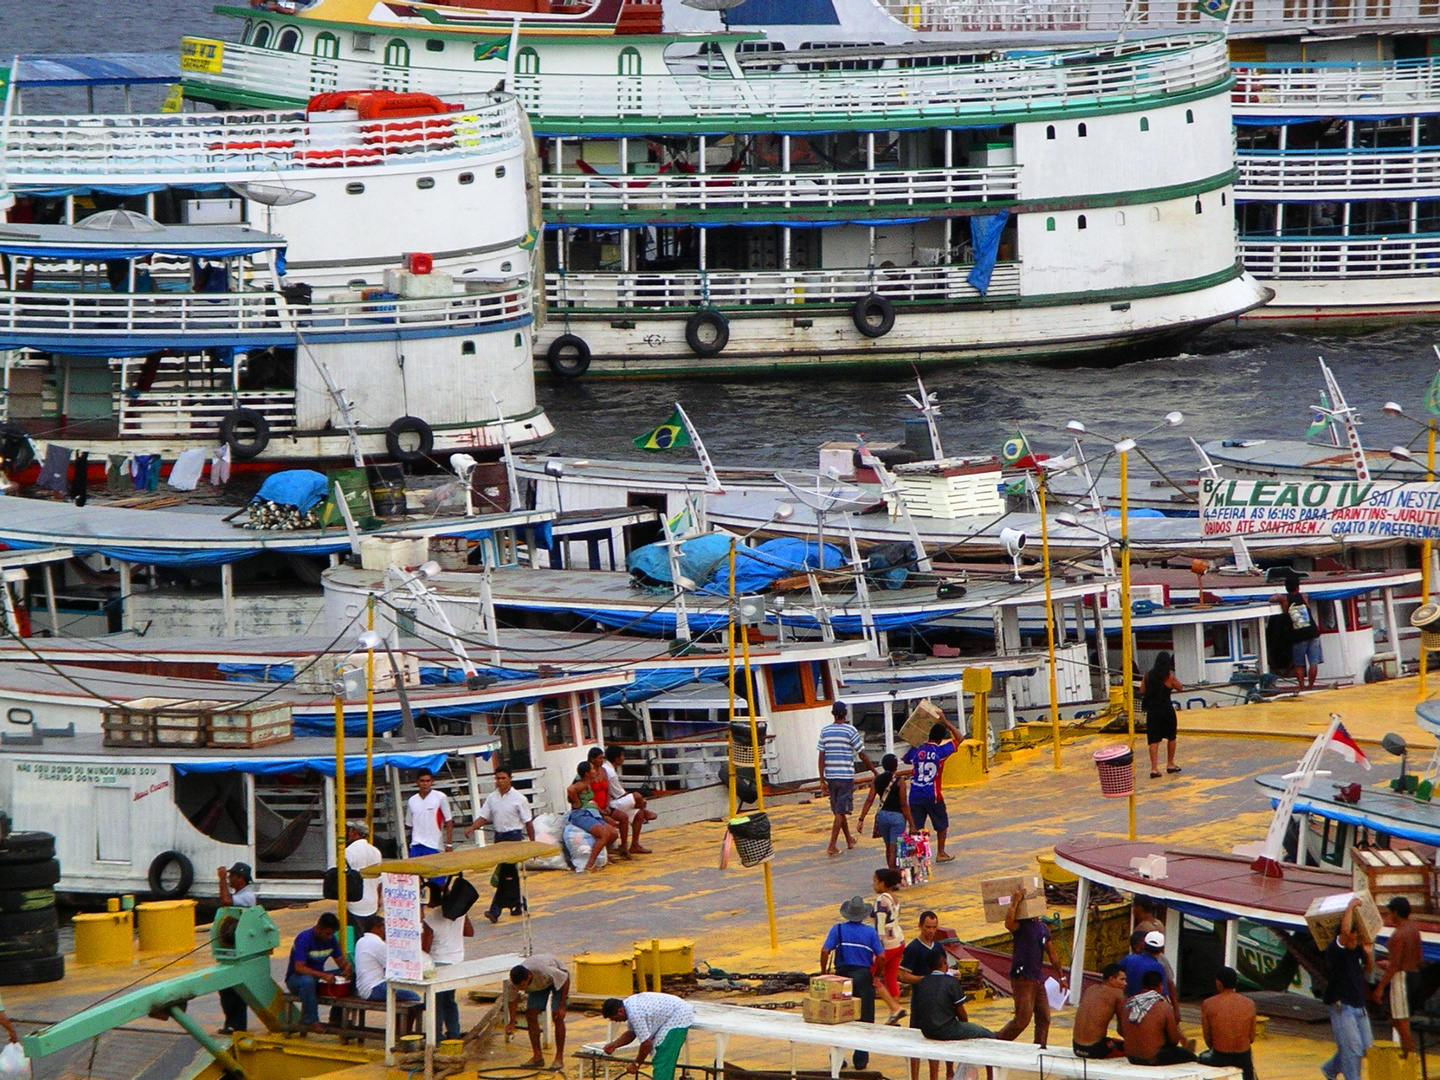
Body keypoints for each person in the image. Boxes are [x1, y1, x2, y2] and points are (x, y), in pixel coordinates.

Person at [995, 884, 1065, 1047]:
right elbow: (1008, 924)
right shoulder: (1022, 925)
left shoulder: (1043, 928)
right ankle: (999, 1040)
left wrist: (1061, 976)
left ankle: (1039, 1047)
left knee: (1044, 1017)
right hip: (1023, 977)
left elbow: (1052, 954)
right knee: (1022, 1020)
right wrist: (1015, 902)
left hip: (1037, 978)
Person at [820, 896, 885, 1070]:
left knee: (839, 1017)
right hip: (863, 977)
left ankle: (837, 1058)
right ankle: (860, 1059)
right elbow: (881, 956)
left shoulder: (837, 929)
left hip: (842, 978)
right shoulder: (870, 932)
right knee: (865, 1018)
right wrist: (876, 975)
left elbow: (825, 951)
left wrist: (824, 973)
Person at [908, 951, 993, 1080]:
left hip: (927, 1031)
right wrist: (965, 1026)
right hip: (946, 1030)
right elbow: (961, 1011)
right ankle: (991, 1077)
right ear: (943, 963)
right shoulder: (950, 981)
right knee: (988, 1035)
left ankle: (951, 1072)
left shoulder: (921, 982)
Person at [464, 766, 534, 922]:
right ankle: (517, 903)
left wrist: (532, 843)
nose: (500, 781)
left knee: (504, 873)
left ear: (510, 778)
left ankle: (495, 910)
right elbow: (484, 816)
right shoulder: (492, 798)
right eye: (497, 778)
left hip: (513, 837)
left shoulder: (519, 798)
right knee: (509, 874)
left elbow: (528, 822)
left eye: (503, 778)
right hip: (499, 837)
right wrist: (472, 827)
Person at [1322, 896, 1374, 1080]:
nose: (1356, 939)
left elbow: (1367, 971)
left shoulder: (1356, 950)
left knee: (1364, 1047)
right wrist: (1351, 907)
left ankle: (1330, 1068)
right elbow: (1344, 932)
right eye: (1354, 936)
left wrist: (1368, 955)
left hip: (1358, 1005)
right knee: (1352, 1051)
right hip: (1342, 1006)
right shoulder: (1336, 950)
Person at [817, 701, 878, 856]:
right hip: (845, 776)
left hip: (830, 776)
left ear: (833, 714)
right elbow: (861, 754)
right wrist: (874, 771)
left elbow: (821, 756)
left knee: (839, 809)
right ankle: (832, 845)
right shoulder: (850, 731)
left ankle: (849, 839)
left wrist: (821, 779)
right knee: (840, 811)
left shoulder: (825, 731)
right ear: (845, 714)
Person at [903, 718, 961, 863]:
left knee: (916, 826)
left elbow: (905, 759)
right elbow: (960, 738)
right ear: (941, 738)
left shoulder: (917, 750)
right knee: (941, 824)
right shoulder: (940, 751)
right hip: (933, 795)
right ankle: (940, 852)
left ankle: (918, 855)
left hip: (915, 794)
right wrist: (946, 721)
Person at [285, 912, 353, 1033]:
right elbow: (299, 967)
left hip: (317, 977)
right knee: (307, 981)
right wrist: (323, 975)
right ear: (319, 928)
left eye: (332, 934)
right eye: (327, 933)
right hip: (296, 979)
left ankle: (337, 1017)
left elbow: (341, 962)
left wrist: (347, 968)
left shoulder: (331, 940)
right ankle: (310, 1019)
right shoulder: (304, 939)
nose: (329, 936)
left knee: (351, 977)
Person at [600, 993, 694, 1080]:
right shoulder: (628, 1005)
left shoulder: (634, 1013)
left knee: (662, 1054)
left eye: (615, 1018)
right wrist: (615, 1045)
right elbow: (632, 1033)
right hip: (672, 1013)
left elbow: (646, 1042)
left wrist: (636, 1064)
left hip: (679, 1016)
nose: (617, 1021)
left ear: (620, 1011)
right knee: (660, 1054)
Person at [423, 884, 473, 1042]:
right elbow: (469, 932)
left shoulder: (431, 918)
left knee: (435, 1002)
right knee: (449, 1000)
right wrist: (463, 913)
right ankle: (453, 1033)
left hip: (438, 962)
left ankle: (435, 1037)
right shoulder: (459, 913)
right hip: (457, 962)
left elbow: (425, 948)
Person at [354, 917, 421, 1037]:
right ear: (375, 928)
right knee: (414, 997)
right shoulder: (376, 943)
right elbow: (394, 965)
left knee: (401, 994)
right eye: (382, 928)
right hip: (374, 987)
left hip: (363, 987)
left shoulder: (361, 941)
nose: (384, 931)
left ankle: (399, 1030)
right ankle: (402, 1033)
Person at [1374, 896, 1422, 1057]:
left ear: (1395, 913)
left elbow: (1394, 965)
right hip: (1415, 975)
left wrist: (1380, 988)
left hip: (1402, 978)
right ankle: (1408, 1052)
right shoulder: (1414, 930)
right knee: (1397, 1018)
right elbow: (1418, 957)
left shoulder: (1398, 934)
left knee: (1401, 1021)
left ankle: (1410, 1055)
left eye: (1390, 913)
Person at [507, 955, 571, 1068]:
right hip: (539, 986)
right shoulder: (512, 983)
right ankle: (537, 1056)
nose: (522, 989)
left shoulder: (544, 970)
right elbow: (512, 1001)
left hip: (558, 979)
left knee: (557, 1015)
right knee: (530, 1014)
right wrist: (512, 1021)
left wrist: (561, 1006)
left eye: (523, 986)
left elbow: (565, 978)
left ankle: (559, 1058)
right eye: (519, 987)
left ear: (529, 976)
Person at [1121, 970, 1195, 1066]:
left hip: (1131, 1057)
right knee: (1191, 1057)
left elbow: (1121, 1031)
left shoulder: (1129, 1002)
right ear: (1160, 986)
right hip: (1153, 1058)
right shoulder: (1163, 1006)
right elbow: (1174, 1041)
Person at [216, 863, 257, 1035]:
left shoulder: (247, 897)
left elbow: (226, 901)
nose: (229, 878)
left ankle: (237, 1025)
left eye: (232, 876)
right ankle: (232, 1022)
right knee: (226, 988)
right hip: (235, 947)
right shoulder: (241, 894)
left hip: (243, 949)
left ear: (240, 879)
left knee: (236, 989)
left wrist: (221, 880)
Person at [857, 754, 914, 869]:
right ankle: (893, 874)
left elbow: (869, 800)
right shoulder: (900, 781)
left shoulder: (876, 780)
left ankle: (890, 871)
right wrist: (912, 824)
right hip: (897, 817)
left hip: (882, 816)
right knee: (895, 848)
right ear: (896, 766)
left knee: (888, 847)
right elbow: (903, 805)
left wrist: (861, 819)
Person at [1199, 966, 1256, 1080]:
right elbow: (1251, 1038)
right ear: (1236, 982)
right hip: (1243, 1056)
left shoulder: (1208, 1004)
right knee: (1249, 1062)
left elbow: (1208, 1040)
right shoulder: (1249, 1003)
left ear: (1218, 982)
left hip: (1220, 1056)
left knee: (1201, 1058)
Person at [565, 760, 621, 872]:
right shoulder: (581, 784)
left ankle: (604, 855)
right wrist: (576, 802)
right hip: (581, 814)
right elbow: (570, 789)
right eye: (592, 769)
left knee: (613, 833)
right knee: (604, 834)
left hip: (591, 813)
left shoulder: (588, 782)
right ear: (587, 773)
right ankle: (590, 863)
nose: (595, 771)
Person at [604, 745, 658, 855]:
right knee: (637, 796)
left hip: (614, 801)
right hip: (611, 803)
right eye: (622, 756)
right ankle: (644, 810)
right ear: (616, 758)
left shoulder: (608, 769)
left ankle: (634, 845)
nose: (624, 758)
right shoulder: (610, 773)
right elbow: (619, 794)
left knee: (638, 814)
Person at [871, 868, 906, 1021]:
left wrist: (878, 950)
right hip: (899, 941)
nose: (873, 884)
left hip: (887, 945)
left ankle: (894, 1008)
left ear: (882, 883)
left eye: (874, 881)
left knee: (872, 977)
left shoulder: (880, 901)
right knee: (891, 976)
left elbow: (879, 928)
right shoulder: (893, 897)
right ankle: (895, 1014)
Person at [1140, 652, 1183, 779]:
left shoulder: (1147, 675)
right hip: (1166, 710)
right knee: (1171, 737)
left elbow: (1142, 690)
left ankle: (1154, 768)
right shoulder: (1169, 676)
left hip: (1152, 712)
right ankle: (1170, 764)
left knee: (1153, 740)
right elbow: (1180, 687)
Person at [1072, 963, 1127, 1059]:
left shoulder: (1090, 989)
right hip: (1094, 1049)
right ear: (1111, 979)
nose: (1125, 983)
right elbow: (1122, 1029)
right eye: (1122, 979)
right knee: (1131, 1049)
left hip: (1076, 1047)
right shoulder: (1117, 994)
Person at [1284, 575, 1322, 689]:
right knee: (1313, 662)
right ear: (1298, 587)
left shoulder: (1285, 599)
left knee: (1298, 664)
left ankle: (1302, 686)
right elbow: (1309, 609)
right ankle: (1311, 686)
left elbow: (1273, 598)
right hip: (1313, 632)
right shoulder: (1304, 597)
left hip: (1298, 635)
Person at [407, 769, 454, 856]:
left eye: (428, 781)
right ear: (417, 782)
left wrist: (449, 844)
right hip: (416, 845)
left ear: (432, 781)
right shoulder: (412, 800)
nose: (425, 784)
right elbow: (410, 824)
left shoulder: (440, 797)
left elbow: (449, 821)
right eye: (422, 781)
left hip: (434, 845)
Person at [344, 822, 383, 920]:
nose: (348, 833)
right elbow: (379, 880)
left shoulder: (348, 852)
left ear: (354, 832)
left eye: (350, 830)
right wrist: (378, 898)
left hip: (355, 904)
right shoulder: (376, 852)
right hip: (372, 903)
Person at [1120, 931, 1171, 1002]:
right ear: (1161, 949)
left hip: (1128, 1004)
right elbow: (1162, 993)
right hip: (1147, 1006)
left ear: (1145, 945)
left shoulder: (1128, 959)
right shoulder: (1158, 967)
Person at [899, 910, 946, 986]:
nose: (931, 931)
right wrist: (925, 980)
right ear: (920, 926)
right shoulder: (913, 948)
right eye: (928, 927)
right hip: (921, 992)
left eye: (934, 927)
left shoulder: (938, 946)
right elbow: (903, 975)